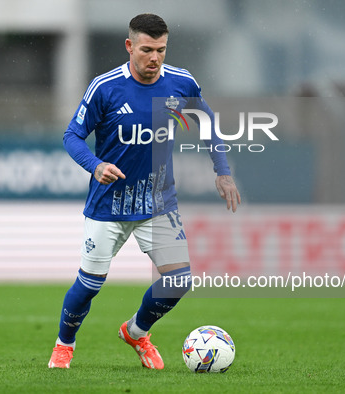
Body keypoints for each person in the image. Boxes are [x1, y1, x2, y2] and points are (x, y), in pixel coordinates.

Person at [48, 13, 241, 370]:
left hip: (157, 203)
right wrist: (96, 165)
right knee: (89, 285)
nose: (155, 58)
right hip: (109, 204)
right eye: (148, 50)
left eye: (162, 50)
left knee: (179, 280)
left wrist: (223, 172)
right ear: (130, 46)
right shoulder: (105, 88)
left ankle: (136, 332)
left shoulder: (181, 83)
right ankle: (65, 344)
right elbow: (71, 135)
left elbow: (207, 124)